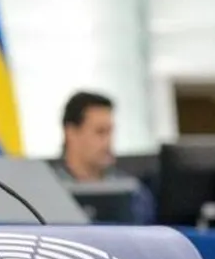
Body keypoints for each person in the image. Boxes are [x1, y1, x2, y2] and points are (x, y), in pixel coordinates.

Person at [51, 91, 156, 224]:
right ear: (71, 133)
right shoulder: (47, 192)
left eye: (110, 132)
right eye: (100, 132)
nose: (108, 142)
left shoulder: (134, 193)